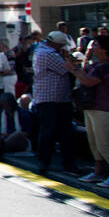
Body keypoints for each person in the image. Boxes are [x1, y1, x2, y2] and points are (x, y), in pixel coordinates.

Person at [32, 30, 82, 176]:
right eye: (61, 45)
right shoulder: (49, 54)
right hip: (51, 99)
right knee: (54, 132)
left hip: (56, 98)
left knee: (56, 132)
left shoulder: (40, 50)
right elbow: (68, 69)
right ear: (56, 44)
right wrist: (71, 61)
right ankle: (51, 163)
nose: (63, 48)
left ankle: (47, 162)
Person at [75, 35, 109, 188]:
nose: (92, 48)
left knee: (104, 143)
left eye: (96, 45)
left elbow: (88, 81)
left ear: (105, 49)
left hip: (103, 109)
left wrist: (73, 69)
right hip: (92, 107)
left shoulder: (107, 66)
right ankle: (97, 172)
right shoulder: (96, 65)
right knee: (94, 142)